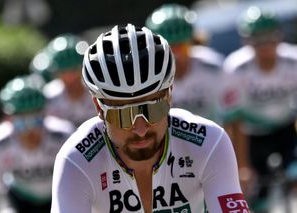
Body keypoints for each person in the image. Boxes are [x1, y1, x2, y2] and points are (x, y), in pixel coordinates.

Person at [51, 23, 250, 212]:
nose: (140, 128)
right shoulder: (76, 160)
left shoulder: (208, 142)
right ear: (98, 107)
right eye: (123, 115)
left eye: (153, 109)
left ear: (170, 95)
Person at [222, 6, 297, 212]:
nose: (265, 46)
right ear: (247, 42)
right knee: (255, 191)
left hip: (287, 128)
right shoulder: (236, 68)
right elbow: (233, 120)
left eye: (269, 38)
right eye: (258, 40)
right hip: (252, 133)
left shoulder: (293, 60)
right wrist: (242, 164)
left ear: (279, 37)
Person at [0, 75, 74, 213]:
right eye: (22, 122)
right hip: (19, 200)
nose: (31, 130)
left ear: (46, 114)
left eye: (36, 119)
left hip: (57, 197)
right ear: (8, 119)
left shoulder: (64, 135)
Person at [145, 3, 225, 124]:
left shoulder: (213, 68)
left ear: (193, 42)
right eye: (169, 48)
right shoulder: (145, 78)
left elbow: (230, 116)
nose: (176, 55)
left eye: (182, 47)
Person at [42, 34, 96, 127]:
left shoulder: (97, 90)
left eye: (74, 69)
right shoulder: (48, 97)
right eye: (63, 71)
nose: (70, 77)